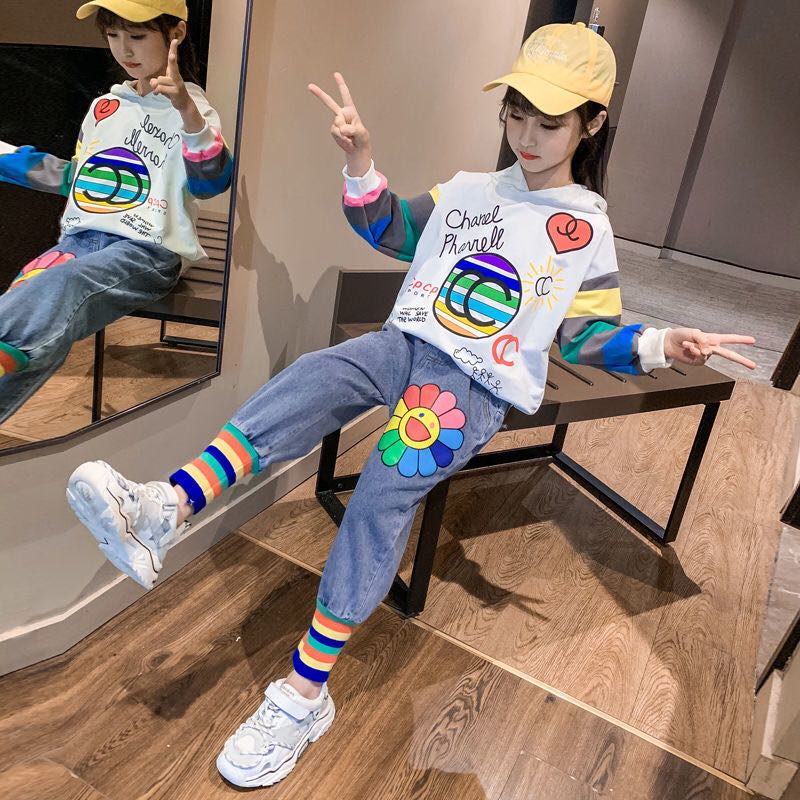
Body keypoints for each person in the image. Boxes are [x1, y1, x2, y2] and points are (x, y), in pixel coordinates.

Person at [66, 22, 755, 789]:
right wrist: (360, 160)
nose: (526, 136)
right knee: (309, 381)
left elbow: (585, 336)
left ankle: (303, 695)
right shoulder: (468, 191)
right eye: (516, 114)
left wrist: (660, 344)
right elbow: (391, 231)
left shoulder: (583, 226)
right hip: (402, 345)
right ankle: (167, 507)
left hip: (467, 390)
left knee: (380, 497)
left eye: (549, 122)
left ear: (591, 124)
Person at [0, 0, 233, 422]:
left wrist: (187, 113)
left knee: (61, 288)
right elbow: (80, 177)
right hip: (81, 238)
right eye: (113, 35)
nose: (124, 49)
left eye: (137, 36)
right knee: (30, 294)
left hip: (147, 249)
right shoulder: (104, 107)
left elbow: (211, 183)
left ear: (176, 33)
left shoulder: (195, 111)